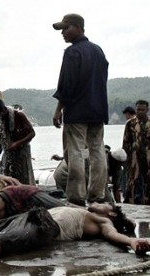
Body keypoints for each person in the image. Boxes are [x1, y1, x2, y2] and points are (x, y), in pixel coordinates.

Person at [0, 203, 146, 271]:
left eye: (105, 203)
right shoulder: (79, 208)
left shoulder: (102, 221)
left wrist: (132, 241)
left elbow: (112, 234)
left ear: (112, 212)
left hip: (44, 225)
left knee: (1, 242)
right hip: (28, 216)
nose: (99, 202)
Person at [51, 13, 109, 206]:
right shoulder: (98, 51)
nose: (63, 33)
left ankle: (76, 196)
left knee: (74, 152)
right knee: (97, 151)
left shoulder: (72, 52)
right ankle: (97, 195)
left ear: (78, 27)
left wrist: (59, 109)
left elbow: (66, 85)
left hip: (77, 110)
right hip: (98, 110)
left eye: (66, 28)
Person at [0, 99, 36, 185]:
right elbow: (1, 141)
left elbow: (32, 133)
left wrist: (18, 143)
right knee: (7, 179)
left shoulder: (19, 115)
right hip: (9, 154)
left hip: (22, 153)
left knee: (23, 179)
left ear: (4, 110)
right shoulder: (1, 119)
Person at [122, 100, 150, 204]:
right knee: (133, 181)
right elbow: (125, 141)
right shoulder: (130, 123)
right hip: (134, 157)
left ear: (147, 110)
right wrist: (127, 157)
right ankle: (131, 201)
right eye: (138, 109)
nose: (140, 112)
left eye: (143, 109)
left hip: (148, 156)